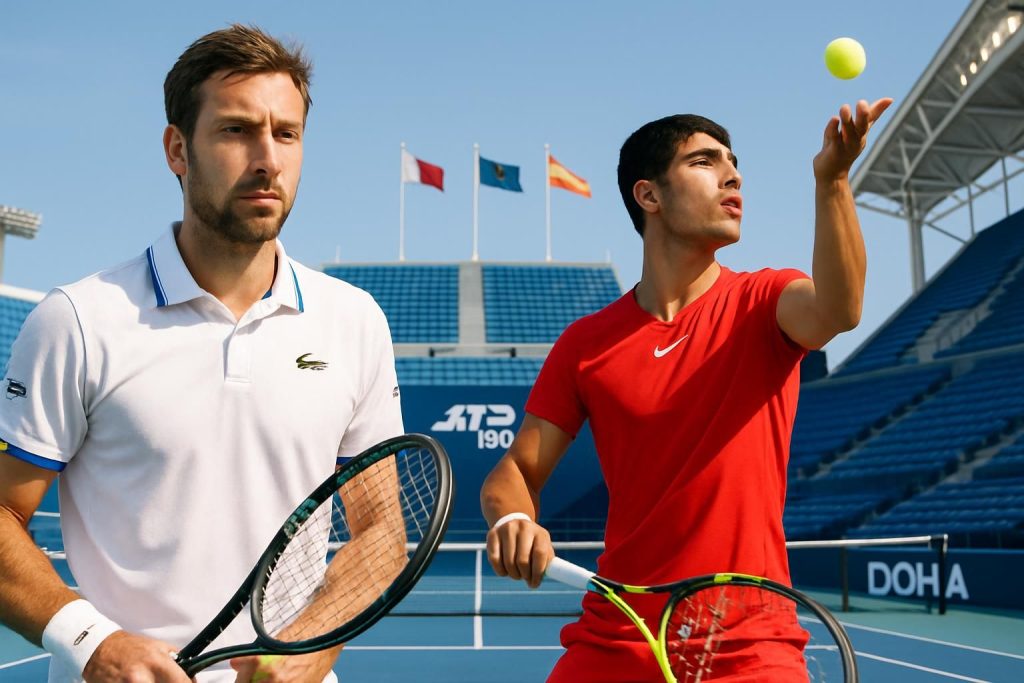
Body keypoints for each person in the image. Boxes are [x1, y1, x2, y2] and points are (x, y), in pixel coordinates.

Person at [0, 25, 404, 683]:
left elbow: (382, 531)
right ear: (177, 149)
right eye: (236, 130)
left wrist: (308, 647)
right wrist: (92, 640)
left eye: (286, 133)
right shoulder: (77, 320)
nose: (267, 157)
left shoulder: (354, 322)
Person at [481, 99, 892, 680]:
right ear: (649, 196)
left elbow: (840, 308)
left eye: (733, 162)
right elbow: (515, 473)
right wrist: (511, 521)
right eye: (705, 161)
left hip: (749, 641)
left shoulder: (765, 301)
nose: (734, 175)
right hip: (617, 634)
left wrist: (833, 180)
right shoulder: (585, 343)